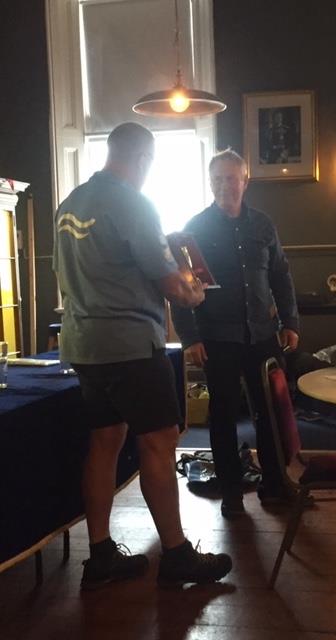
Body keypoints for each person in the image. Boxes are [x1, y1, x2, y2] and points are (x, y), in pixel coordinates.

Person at [53, 122, 232, 590]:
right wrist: (195, 290)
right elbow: (172, 284)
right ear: (143, 159)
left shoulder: (69, 205)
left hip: (83, 345)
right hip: (131, 344)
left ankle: (100, 554)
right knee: (160, 440)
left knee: (105, 440)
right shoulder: (133, 203)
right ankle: (176, 555)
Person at [171, 149, 300, 518]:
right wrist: (190, 337)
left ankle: (275, 484)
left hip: (263, 335)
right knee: (223, 415)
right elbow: (182, 290)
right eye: (218, 179)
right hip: (216, 338)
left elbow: (280, 276)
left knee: (270, 413)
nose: (225, 185)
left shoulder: (263, 225)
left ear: (245, 180)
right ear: (210, 183)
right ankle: (230, 491)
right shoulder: (194, 229)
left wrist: (290, 322)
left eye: (232, 178)